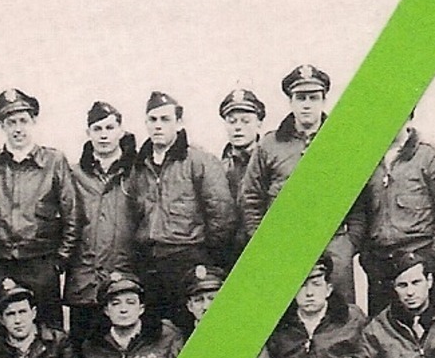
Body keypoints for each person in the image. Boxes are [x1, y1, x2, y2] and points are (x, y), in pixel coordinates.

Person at [241, 64, 364, 303]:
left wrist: (348, 245)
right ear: (291, 102)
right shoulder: (270, 145)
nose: (307, 104)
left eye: (313, 97)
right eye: (300, 98)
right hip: (284, 246)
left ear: (323, 101)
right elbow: (251, 199)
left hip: (334, 247)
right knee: (284, 317)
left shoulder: (343, 144)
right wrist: (265, 244)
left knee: (340, 319)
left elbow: (359, 203)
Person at [0, 88, 79, 329]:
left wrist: (59, 261)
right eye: (11, 122)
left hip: (40, 264)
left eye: (23, 121)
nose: (18, 128)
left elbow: (73, 215)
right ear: (2, 126)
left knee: (48, 333)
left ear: (33, 121)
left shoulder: (54, 161)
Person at [127, 91, 237, 327]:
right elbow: (134, 214)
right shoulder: (139, 166)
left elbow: (222, 213)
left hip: (187, 259)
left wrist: (206, 257)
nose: (158, 126)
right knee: (158, 332)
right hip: (151, 263)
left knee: (190, 327)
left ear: (179, 123)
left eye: (165, 120)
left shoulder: (199, 161)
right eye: (152, 120)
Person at [355, 108, 435, 317]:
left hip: (421, 256)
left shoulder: (430, 156)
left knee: (430, 329)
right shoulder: (365, 159)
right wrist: (367, 258)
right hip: (381, 263)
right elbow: (361, 211)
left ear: (410, 116)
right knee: (384, 332)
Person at [66, 100, 137, 337]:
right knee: (84, 350)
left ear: (121, 131)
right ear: (88, 134)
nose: (104, 135)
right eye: (97, 129)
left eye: (109, 128)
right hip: (85, 281)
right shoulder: (73, 174)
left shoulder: (136, 171)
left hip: (125, 279)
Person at [217, 87, 267, 264]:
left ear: (259, 123)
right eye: (232, 122)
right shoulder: (218, 168)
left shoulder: (270, 162)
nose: (238, 127)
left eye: (245, 121)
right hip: (230, 253)